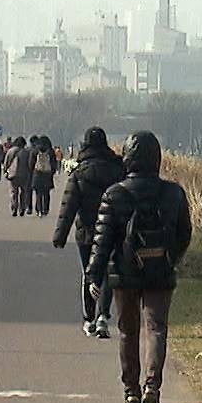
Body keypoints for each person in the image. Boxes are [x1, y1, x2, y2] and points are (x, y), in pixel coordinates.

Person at [86, 131, 192, 403]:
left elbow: (102, 241)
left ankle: (131, 391)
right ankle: (152, 387)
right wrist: (171, 258)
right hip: (161, 271)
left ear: (128, 158)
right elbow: (185, 233)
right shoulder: (174, 193)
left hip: (124, 273)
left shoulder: (114, 194)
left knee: (127, 331)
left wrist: (94, 274)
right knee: (156, 328)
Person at [52, 126, 125, 338]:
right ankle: (103, 316)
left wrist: (60, 236)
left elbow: (68, 207)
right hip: (112, 230)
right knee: (108, 272)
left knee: (89, 272)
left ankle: (89, 318)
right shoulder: (118, 170)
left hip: (86, 231)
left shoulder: (79, 173)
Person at [5, 133, 35, 216]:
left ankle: (14, 208)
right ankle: (22, 208)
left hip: (13, 174)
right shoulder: (27, 152)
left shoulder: (11, 151)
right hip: (24, 175)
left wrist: (6, 171)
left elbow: (6, 163)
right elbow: (29, 164)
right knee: (23, 192)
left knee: (14, 192)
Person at [30, 134, 57, 217]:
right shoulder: (51, 151)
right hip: (47, 174)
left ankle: (39, 209)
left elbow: (31, 163)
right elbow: (54, 164)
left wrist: (33, 171)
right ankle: (45, 209)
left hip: (37, 173)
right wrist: (52, 172)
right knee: (46, 193)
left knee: (38, 193)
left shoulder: (35, 150)